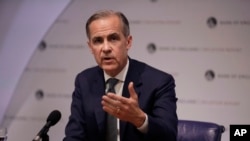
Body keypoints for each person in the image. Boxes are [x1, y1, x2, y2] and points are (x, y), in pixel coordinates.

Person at [63, 10, 178, 141]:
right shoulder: (84, 81)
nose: (105, 48)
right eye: (98, 41)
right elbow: (74, 136)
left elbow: (169, 136)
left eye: (113, 38)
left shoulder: (158, 82)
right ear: (90, 47)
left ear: (128, 42)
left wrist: (139, 119)